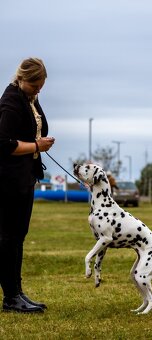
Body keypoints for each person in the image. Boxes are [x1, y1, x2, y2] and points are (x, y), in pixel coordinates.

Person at [0, 58, 55, 313]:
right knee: (9, 238)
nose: (38, 90)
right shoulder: (11, 103)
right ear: (21, 79)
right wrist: (36, 146)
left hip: (24, 178)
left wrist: (40, 141)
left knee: (17, 237)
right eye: (34, 85)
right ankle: (11, 298)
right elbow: (4, 144)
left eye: (41, 86)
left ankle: (17, 293)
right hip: (8, 180)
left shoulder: (28, 98)